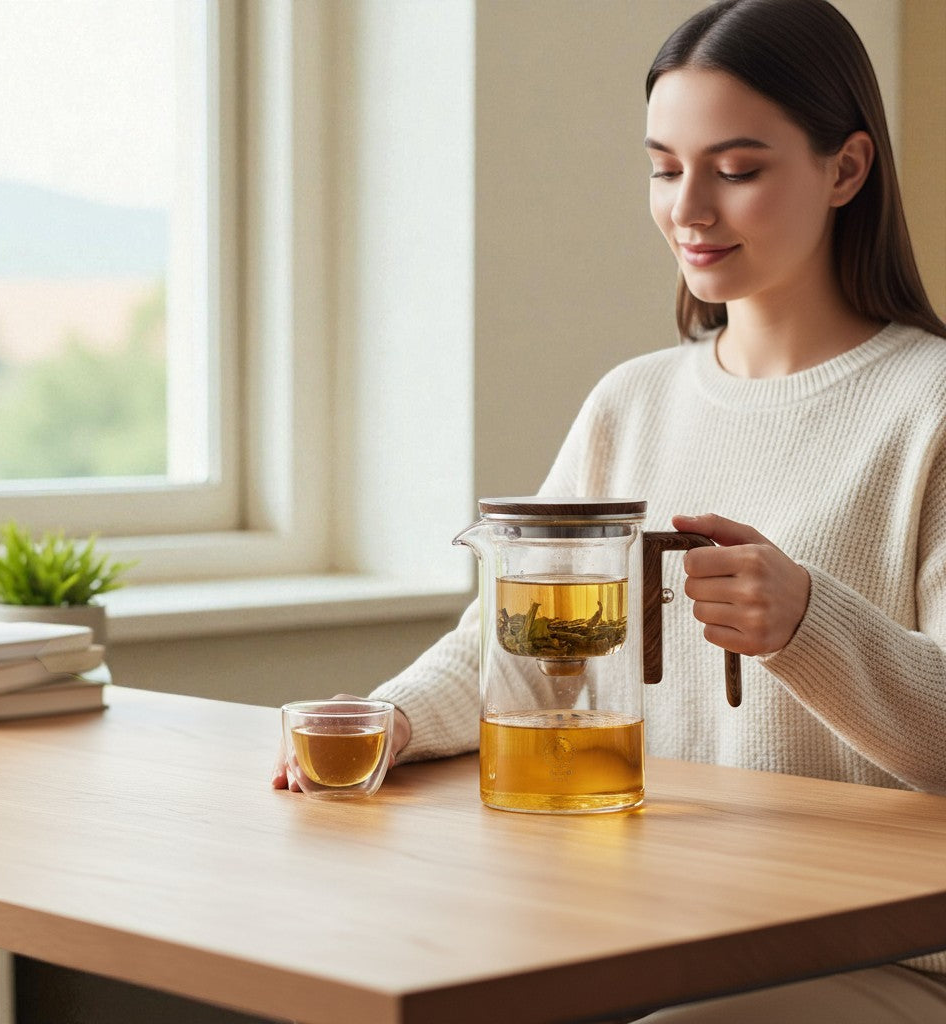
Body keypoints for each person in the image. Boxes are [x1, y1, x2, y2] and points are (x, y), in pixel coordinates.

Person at [274, 0, 946, 1018]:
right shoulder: (630, 402)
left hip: (872, 953)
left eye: (738, 168)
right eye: (664, 166)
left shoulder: (927, 406)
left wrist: (808, 620)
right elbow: (499, 640)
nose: (690, 208)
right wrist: (391, 716)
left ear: (845, 170)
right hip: (643, 924)